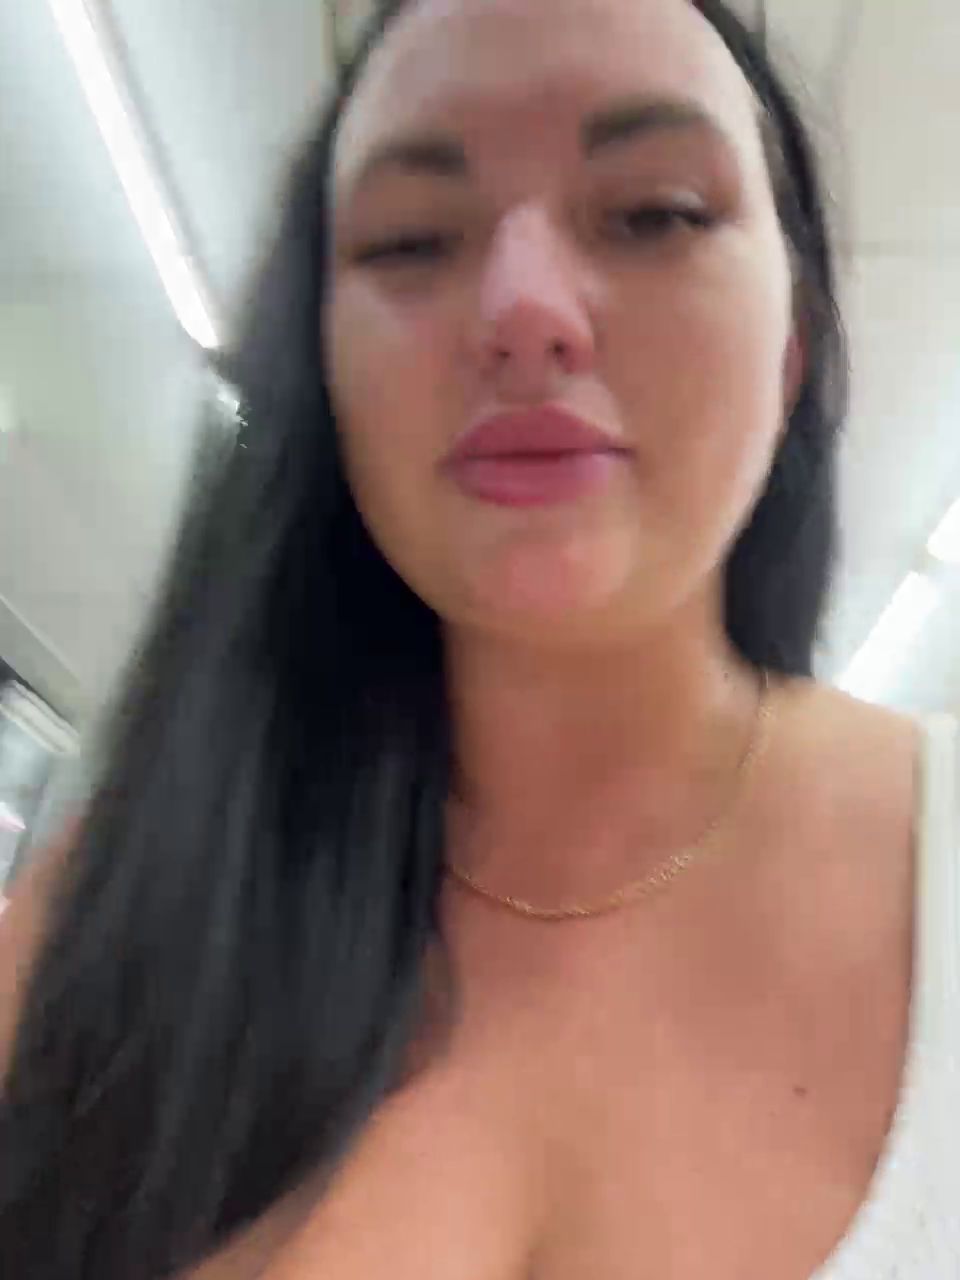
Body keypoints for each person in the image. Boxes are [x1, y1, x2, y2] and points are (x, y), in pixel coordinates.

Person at [1, 0, 957, 1276]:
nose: (523, 307)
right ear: (323, 363)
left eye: (656, 212)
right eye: (411, 240)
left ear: (788, 350)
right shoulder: (101, 920)